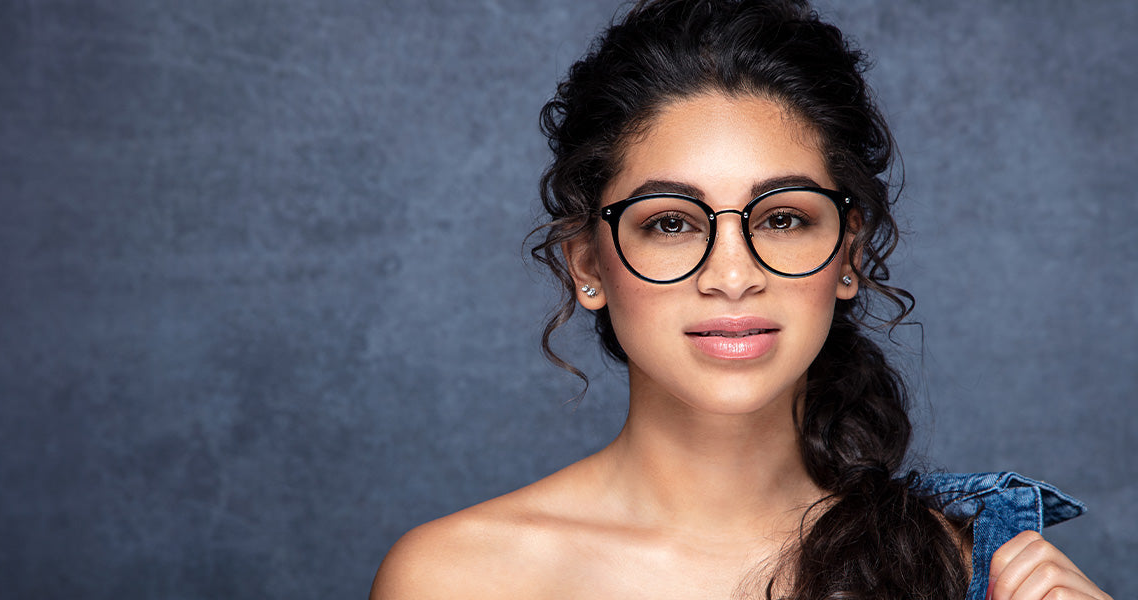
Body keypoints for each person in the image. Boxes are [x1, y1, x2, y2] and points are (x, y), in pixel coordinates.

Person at [371, 1, 1112, 598]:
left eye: (783, 218)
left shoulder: (970, 572)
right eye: (670, 222)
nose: (732, 275)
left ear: (849, 254)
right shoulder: (457, 578)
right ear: (587, 265)